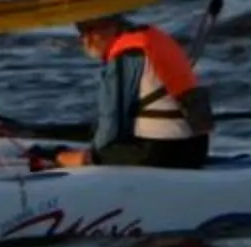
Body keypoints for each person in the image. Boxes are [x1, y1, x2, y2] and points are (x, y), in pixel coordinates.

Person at [46, 13, 213, 169]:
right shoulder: (153, 37)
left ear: (112, 25)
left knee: (96, 151)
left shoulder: (127, 54)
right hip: (197, 149)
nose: (85, 39)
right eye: (81, 31)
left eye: (91, 30)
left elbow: (111, 121)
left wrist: (92, 156)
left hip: (162, 152)